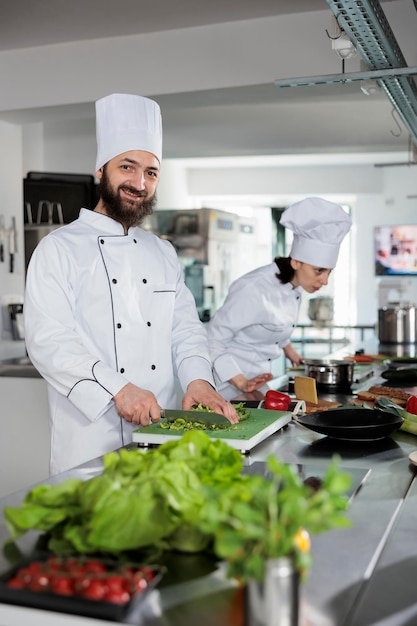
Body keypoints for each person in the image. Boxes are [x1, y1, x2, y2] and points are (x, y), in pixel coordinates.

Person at [24, 93, 238, 475]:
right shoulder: (58, 249)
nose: (140, 182)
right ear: (101, 170)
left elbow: (185, 330)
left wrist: (199, 381)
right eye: (128, 166)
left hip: (162, 435)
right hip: (90, 439)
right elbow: (49, 341)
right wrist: (118, 390)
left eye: (151, 172)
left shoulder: (163, 253)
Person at [206, 197, 352, 401]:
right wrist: (240, 381)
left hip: (255, 382)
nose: (325, 280)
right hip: (225, 385)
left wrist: (290, 351)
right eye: (319, 271)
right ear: (296, 262)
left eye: (329, 272)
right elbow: (212, 339)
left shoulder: (294, 286)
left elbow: (275, 323)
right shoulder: (254, 289)